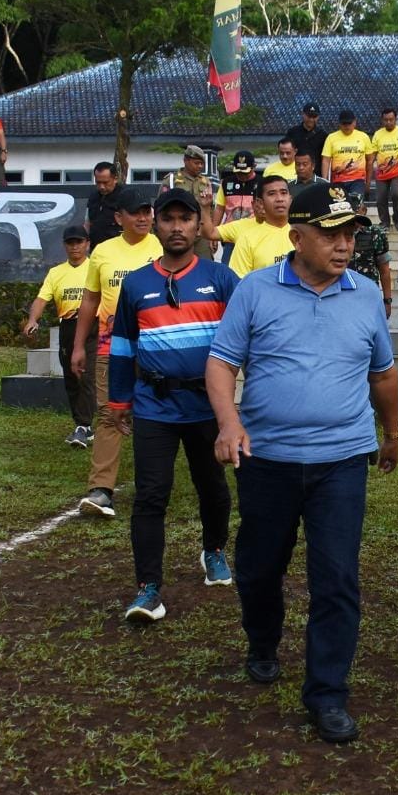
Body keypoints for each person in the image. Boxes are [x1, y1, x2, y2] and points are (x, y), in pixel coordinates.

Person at [207, 181, 398, 745]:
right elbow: (221, 363)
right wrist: (229, 422)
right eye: (331, 234)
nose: (344, 246)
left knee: (336, 577)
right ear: (297, 237)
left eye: (351, 235)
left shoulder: (366, 294)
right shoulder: (255, 290)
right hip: (266, 458)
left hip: (342, 460)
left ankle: (327, 694)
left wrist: (391, 433)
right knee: (260, 567)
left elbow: (383, 373)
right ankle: (263, 641)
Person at [110, 188, 243, 623]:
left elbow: (249, 336)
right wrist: (119, 400)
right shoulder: (136, 283)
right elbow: (123, 346)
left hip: (207, 406)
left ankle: (214, 550)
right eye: (168, 219)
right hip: (154, 407)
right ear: (156, 224)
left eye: (185, 219)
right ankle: (148, 588)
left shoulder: (221, 278)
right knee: (150, 496)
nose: (177, 227)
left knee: (213, 488)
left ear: (198, 225)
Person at [71, 186, 164, 519]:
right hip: (111, 348)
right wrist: (79, 345)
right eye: (135, 212)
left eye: (146, 211)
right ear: (118, 217)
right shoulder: (103, 252)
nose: (143, 217)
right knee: (109, 414)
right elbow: (90, 300)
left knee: (152, 416)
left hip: (155, 347)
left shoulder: (162, 247)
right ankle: (101, 489)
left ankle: (153, 483)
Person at [24, 223, 95, 448]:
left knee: (87, 374)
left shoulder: (96, 268)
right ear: (64, 245)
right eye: (70, 243)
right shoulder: (56, 273)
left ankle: (84, 426)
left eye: (79, 242)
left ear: (87, 244)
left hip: (93, 327)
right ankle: (82, 424)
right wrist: (33, 320)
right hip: (68, 328)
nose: (75, 247)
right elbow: (41, 299)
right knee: (72, 377)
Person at [228, 175, 296, 277]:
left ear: (290, 199)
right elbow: (238, 282)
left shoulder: (303, 235)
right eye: (272, 194)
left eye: (283, 193)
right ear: (260, 203)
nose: (279, 199)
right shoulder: (247, 240)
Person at [163, 145, 218, 259]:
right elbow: (162, 208)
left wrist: (212, 234)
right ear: (186, 161)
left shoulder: (205, 182)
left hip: (201, 234)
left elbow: (211, 209)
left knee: (204, 265)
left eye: (202, 163)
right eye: (196, 163)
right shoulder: (172, 180)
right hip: (179, 231)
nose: (200, 166)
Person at [348, 193, 394, 320]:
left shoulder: (375, 233)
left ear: (364, 210)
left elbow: (384, 270)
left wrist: (387, 301)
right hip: (343, 295)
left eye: (356, 212)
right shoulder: (336, 234)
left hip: (368, 295)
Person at [370, 108, 398, 229]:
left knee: (397, 194)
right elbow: (373, 154)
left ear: (396, 119)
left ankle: (397, 218)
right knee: (380, 198)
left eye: (391, 119)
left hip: (397, 172)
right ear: (382, 120)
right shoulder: (377, 134)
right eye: (386, 120)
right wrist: (369, 168)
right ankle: (385, 222)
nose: (388, 122)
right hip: (381, 173)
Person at [323, 111, 371, 197]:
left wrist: (368, 182)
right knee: (339, 204)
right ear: (339, 123)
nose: (347, 126)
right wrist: (325, 181)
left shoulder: (364, 137)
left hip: (358, 180)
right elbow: (326, 160)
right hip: (338, 181)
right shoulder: (331, 138)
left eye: (349, 123)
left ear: (354, 122)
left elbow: (370, 160)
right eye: (344, 123)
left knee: (356, 202)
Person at [213, 150, 258, 226]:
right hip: (230, 229)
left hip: (253, 229)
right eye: (239, 172)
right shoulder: (226, 183)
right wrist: (213, 229)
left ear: (254, 167)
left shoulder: (262, 183)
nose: (242, 175)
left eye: (245, 173)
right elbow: (219, 208)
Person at [87, 162, 124, 247]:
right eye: (98, 182)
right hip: (96, 248)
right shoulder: (93, 197)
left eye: (105, 182)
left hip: (118, 248)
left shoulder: (126, 196)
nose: (101, 187)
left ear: (115, 179)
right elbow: (87, 223)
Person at [284, 102, 328, 173]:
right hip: (295, 172)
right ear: (303, 114)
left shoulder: (323, 135)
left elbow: (325, 158)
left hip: (315, 173)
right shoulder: (292, 132)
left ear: (318, 117)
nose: (311, 119)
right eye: (309, 116)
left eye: (314, 117)